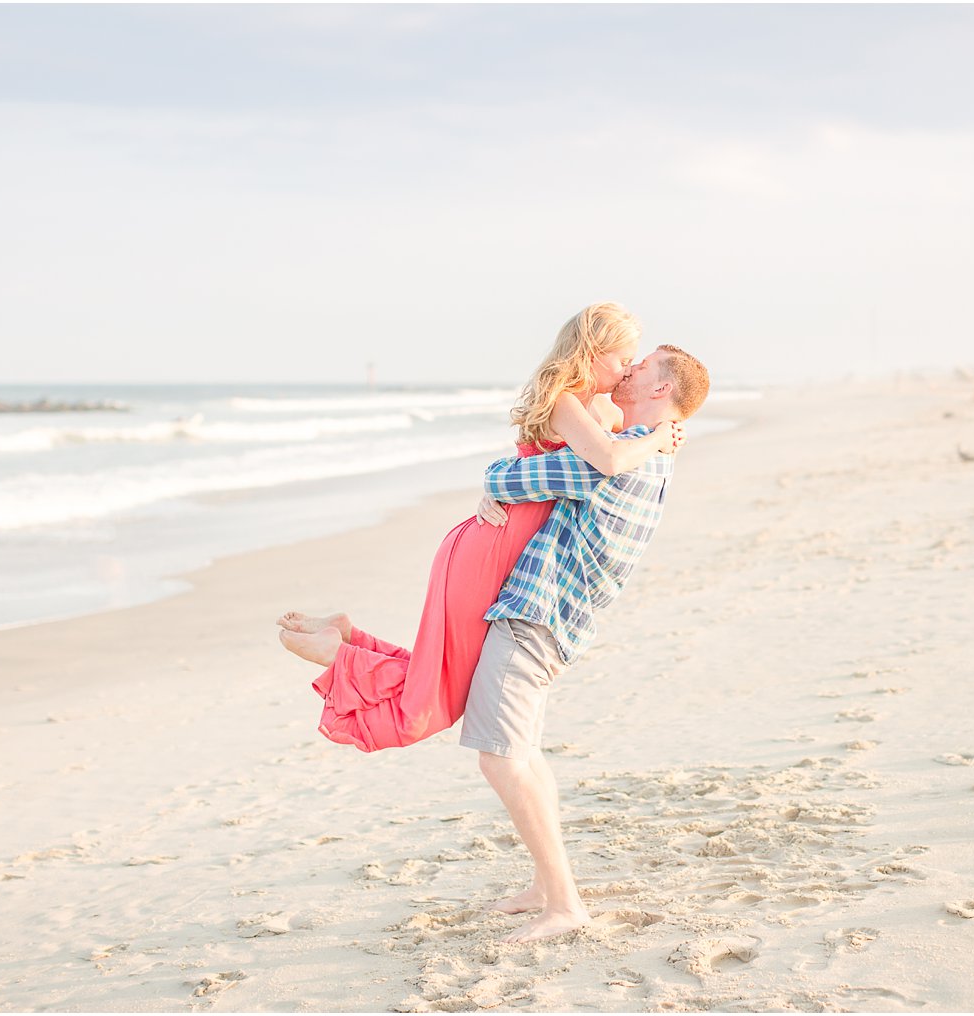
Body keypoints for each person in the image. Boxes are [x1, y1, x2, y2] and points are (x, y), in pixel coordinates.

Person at [276, 303, 682, 752]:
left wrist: (660, 430)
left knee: (440, 675)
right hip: (494, 546)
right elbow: (608, 461)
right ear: (592, 351)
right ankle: (338, 655)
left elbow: (620, 454)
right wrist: (662, 437)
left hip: (508, 546)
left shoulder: (605, 412)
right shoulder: (567, 400)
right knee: (433, 704)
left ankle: (350, 637)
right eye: (624, 360)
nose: (628, 372)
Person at [452, 344, 710, 943]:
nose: (627, 369)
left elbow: (507, 477)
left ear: (660, 391)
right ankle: (547, 887)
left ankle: (565, 905)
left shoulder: (615, 460)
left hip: (537, 614)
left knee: (502, 757)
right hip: (555, 618)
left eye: (641, 366)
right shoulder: (647, 454)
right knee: (525, 752)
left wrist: (495, 484)